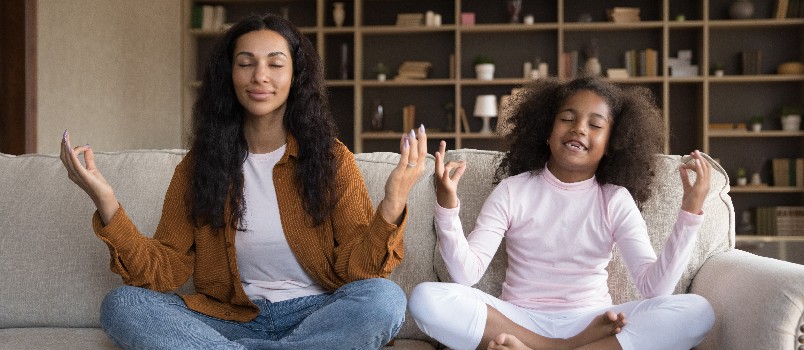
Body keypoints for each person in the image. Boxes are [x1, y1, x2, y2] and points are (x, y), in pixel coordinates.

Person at [60, 13, 428, 350]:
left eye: (275, 63)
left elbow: (357, 270)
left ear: (295, 74)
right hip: (229, 320)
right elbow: (164, 269)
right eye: (246, 63)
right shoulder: (198, 166)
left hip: (315, 314)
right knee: (123, 305)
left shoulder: (332, 159)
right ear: (229, 74)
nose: (260, 76)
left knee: (384, 298)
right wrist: (107, 203)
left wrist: (393, 203)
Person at [408, 77, 715, 350]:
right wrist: (447, 204)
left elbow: (655, 289)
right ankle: (563, 347)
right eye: (567, 118)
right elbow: (465, 274)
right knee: (427, 299)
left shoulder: (614, 199)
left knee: (698, 312)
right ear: (547, 132)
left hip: (592, 320)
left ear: (611, 144)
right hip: (521, 319)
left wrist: (690, 212)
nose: (579, 128)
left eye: (595, 125)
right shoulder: (513, 190)